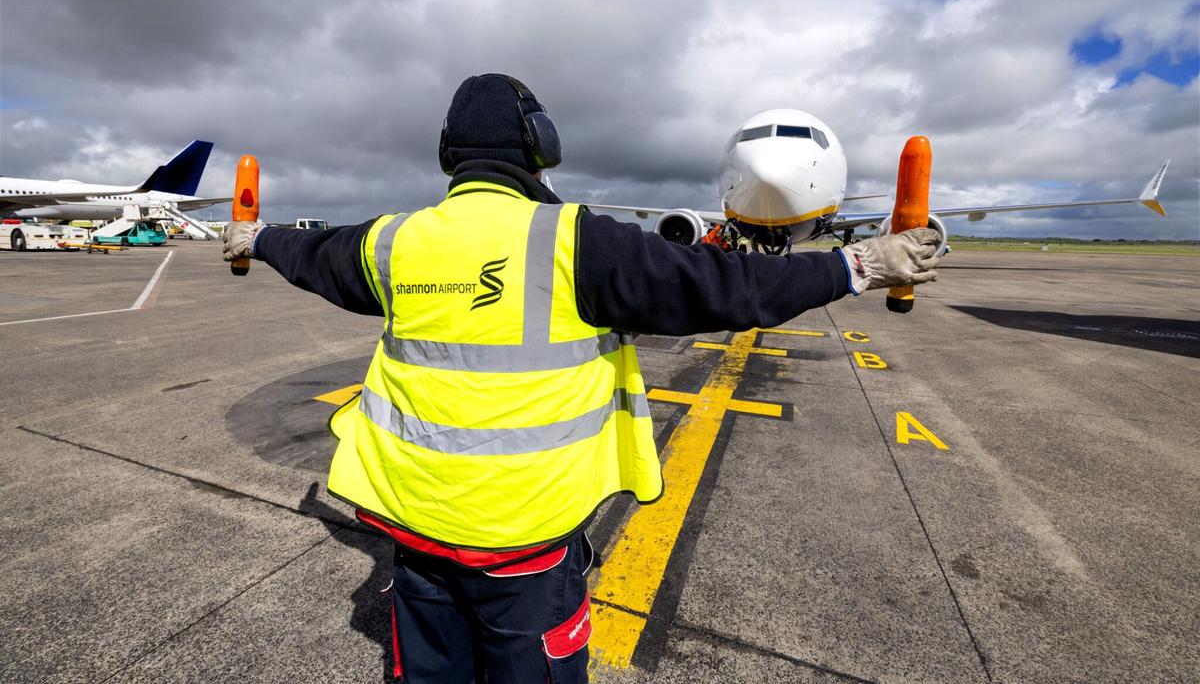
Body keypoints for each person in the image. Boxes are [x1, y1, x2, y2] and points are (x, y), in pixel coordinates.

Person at [223, 73, 940, 683]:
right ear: (542, 147)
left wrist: (255, 237)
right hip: (524, 553)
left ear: (450, 155)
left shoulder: (393, 241)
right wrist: (857, 265)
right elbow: (726, 286)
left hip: (414, 537)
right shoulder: (575, 240)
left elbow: (312, 251)